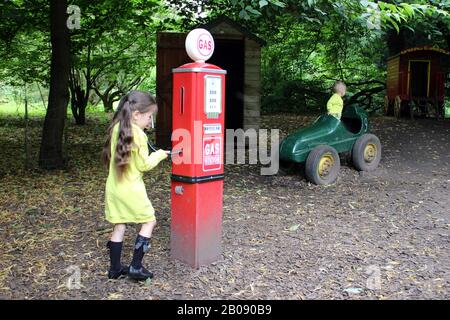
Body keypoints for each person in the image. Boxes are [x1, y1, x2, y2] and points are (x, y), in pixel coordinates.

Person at [101, 90, 169, 281]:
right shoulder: (139, 134)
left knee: (120, 225)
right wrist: (161, 154)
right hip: (131, 189)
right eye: (149, 117)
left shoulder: (117, 128)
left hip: (114, 188)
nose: (150, 122)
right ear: (137, 115)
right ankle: (136, 267)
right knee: (149, 221)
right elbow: (143, 165)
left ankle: (114, 269)